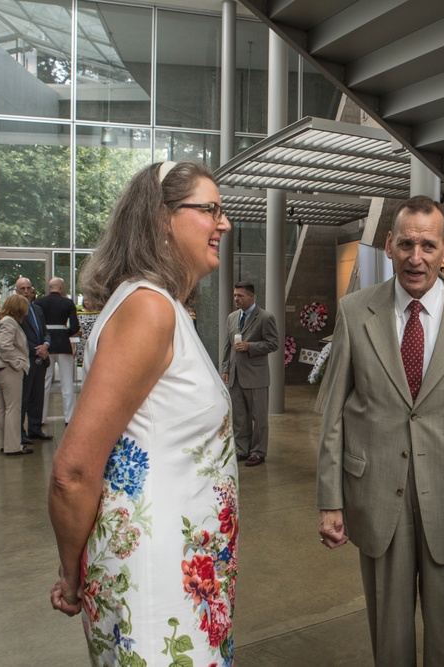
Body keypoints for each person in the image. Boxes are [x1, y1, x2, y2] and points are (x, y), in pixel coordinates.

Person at [48, 160, 238, 665]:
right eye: (211, 210)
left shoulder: (164, 307)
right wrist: (72, 573)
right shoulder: (149, 309)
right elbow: (73, 471)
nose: (224, 223)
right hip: (154, 582)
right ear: (161, 219)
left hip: (180, 571)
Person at [317, 195, 444, 666]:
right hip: (377, 497)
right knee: (390, 633)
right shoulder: (355, 312)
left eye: (427, 245)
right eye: (405, 244)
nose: (415, 257)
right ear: (388, 246)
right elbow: (334, 412)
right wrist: (330, 499)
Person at [221, 281, 279, 467]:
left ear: (251, 297)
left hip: (256, 376)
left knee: (258, 416)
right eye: (235, 295)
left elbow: (273, 343)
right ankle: (242, 449)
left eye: (240, 296)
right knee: (239, 417)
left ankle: (258, 451)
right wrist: (225, 369)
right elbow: (227, 346)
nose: (236, 299)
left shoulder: (265, 317)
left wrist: (250, 346)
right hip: (236, 376)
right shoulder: (231, 317)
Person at [35, 277, 80, 425]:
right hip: (62, 343)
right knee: (67, 382)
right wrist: (63, 333)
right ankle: (69, 417)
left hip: (45, 344)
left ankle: (40, 417)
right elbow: (74, 326)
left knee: (45, 382)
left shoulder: (39, 303)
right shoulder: (67, 303)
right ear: (61, 287)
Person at [0, 294, 31, 455]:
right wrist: (17, 364)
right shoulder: (10, 322)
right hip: (9, 369)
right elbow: (6, 346)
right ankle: (13, 446)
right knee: (14, 408)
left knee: (3, 408)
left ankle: (3, 443)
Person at [15, 277, 51, 444]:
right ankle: (20, 433)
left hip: (41, 360)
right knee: (24, 397)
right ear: (17, 291)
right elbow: (18, 337)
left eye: (29, 288)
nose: (26, 292)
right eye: (22, 288)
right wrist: (36, 349)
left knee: (38, 396)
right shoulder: (16, 312)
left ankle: (35, 429)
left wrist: (46, 344)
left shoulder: (37, 310)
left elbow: (45, 331)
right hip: (26, 359)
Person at [74, 296, 100, 382]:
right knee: (85, 366)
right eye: (85, 300)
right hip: (83, 342)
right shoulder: (78, 313)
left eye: (89, 300)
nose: (87, 302)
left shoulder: (100, 313)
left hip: (95, 341)